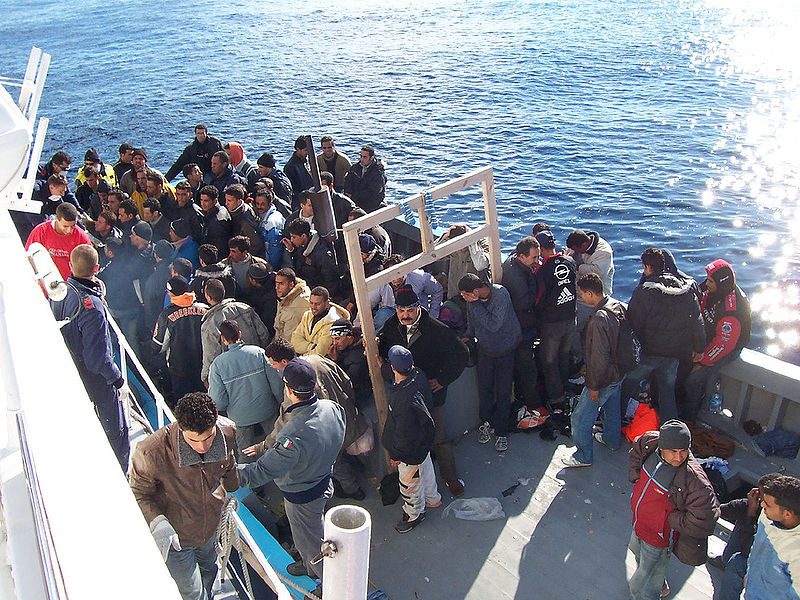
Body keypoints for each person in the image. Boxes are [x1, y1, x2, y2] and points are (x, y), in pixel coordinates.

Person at [238, 358, 345, 590]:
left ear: (288, 389)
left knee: (312, 542)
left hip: (303, 497)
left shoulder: (293, 435)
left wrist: (226, 473)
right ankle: (308, 565)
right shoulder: (332, 409)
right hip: (323, 482)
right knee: (310, 534)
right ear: (314, 386)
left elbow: (260, 471)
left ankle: (327, 583)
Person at [129, 392, 238, 600]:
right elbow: (138, 492)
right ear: (179, 427)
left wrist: (232, 484)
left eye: (209, 437)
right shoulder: (151, 452)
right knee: (192, 592)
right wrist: (158, 521)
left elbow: (229, 463)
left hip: (210, 528)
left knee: (209, 572)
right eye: (193, 440)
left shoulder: (228, 432)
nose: (203, 447)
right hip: (176, 537)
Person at [378, 285, 469, 497]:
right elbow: (383, 352)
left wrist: (443, 379)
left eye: (409, 310)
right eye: (401, 310)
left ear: (418, 308)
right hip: (403, 394)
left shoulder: (437, 329)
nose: (405, 315)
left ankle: (450, 478)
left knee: (439, 436)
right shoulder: (391, 327)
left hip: (430, 395)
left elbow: (461, 353)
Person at [50, 244, 130, 470]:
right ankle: (119, 474)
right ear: (97, 267)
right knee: (116, 431)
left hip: (72, 368)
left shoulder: (60, 292)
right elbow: (98, 358)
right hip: (95, 380)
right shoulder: (92, 306)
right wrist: (117, 380)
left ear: (70, 265)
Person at [628, 420, 720, 600]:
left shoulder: (694, 480)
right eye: (673, 452)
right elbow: (636, 452)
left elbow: (706, 518)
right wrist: (635, 476)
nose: (678, 457)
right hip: (639, 523)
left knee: (646, 580)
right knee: (637, 553)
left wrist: (671, 519)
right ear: (661, 447)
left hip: (658, 537)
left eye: (683, 451)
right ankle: (660, 584)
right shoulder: (650, 442)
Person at [627, 248, 705, 424]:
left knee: (627, 384)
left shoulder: (644, 292)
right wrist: (699, 348)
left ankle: (615, 423)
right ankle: (671, 432)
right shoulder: (686, 290)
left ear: (647, 267)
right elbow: (697, 321)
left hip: (649, 352)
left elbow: (633, 323)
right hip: (675, 354)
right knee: (667, 393)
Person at [562, 273, 626, 468]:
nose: (582, 297)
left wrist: (593, 386)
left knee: (581, 417)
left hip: (604, 377)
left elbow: (599, 358)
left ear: (590, 293)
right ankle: (612, 440)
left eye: (582, 294)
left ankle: (583, 456)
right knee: (612, 408)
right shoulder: (618, 305)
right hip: (620, 372)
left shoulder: (598, 320)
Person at [683, 259, 751, 423]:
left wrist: (702, 361)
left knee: (693, 379)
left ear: (721, 283)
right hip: (707, 335)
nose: (706, 283)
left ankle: (689, 418)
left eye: (711, 281)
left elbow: (724, 343)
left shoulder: (732, 311)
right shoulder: (711, 289)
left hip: (727, 347)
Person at [459, 274, 521, 452]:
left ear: (476, 291)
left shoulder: (500, 294)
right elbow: (472, 322)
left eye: (465, 294)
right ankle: (486, 421)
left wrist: (475, 303)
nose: (464, 298)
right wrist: (468, 336)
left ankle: (501, 431)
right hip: (485, 349)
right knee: (484, 388)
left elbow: (494, 324)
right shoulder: (472, 302)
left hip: (505, 349)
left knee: (503, 390)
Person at [383, 345, 440, 533]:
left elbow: (404, 433)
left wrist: (396, 454)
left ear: (393, 367)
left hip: (408, 451)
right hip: (423, 443)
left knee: (409, 485)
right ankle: (433, 499)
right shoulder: (418, 375)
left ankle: (413, 515)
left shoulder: (403, 401)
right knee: (427, 471)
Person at [208, 320, 281, 461]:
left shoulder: (217, 365)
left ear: (223, 339)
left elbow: (218, 400)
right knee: (276, 446)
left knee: (245, 453)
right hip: (267, 410)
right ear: (240, 334)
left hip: (240, 418)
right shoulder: (259, 353)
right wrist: (280, 403)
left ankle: (249, 480)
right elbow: (276, 384)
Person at [709, 473, 782, 600]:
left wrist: (750, 515)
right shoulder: (752, 505)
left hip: (767, 567)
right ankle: (725, 560)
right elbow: (721, 510)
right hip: (744, 556)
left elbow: (749, 548)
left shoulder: (783, 526)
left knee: (738, 562)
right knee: (735, 561)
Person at [533, 230, 577, 410]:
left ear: (540, 249)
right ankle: (565, 387)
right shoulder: (570, 262)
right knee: (564, 356)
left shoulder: (543, 272)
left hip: (552, 324)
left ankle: (556, 399)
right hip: (570, 318)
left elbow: (537, 299)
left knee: (549, 361)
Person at [201, 278, 271, 385]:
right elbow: (263, 334)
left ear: (208, 297)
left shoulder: (209, 324)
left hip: (232, 376)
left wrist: (206, 377)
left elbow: (210, 355)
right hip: (257, 365)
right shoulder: (244, 308)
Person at [501, 236, 543, 414]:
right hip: (521, 330)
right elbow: (525, 303)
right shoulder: (518, 277)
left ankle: (521, 397)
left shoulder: (512, 262)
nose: (537, 261)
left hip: (516, 327)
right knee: (527, 368)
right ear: (522, 256)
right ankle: (533, 404)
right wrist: (534, 279)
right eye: (534, 258)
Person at [744, 474, 800, 599]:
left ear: (787, 514)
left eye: (768, 504)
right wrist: (749, 575)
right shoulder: (766, 516)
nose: (762, 505)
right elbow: (757, 547)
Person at [152, 276, 208, 401]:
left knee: (184, 406)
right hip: (204, 367)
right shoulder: (205, 309)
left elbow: (158, 346)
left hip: (179, 370)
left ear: (171, 293)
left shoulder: (166, 315)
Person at [26, 202, 92, 279]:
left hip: (69, 283)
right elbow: (28, 256)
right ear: (57, 219)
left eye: (73, 226)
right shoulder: (41, 231)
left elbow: (88, 265)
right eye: (65, 226)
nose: (69, 230)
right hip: (44, 280)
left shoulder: (81, 237)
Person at [284, 218, 341, 296]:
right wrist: (293, 251)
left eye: (294, 237)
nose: (291, 240)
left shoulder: (321, 253)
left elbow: (330, 279)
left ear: (303, 236)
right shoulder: (301, 245)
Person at [291, 286, 350, 356]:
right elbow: (295, 340)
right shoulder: (307, 315)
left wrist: (302, 357)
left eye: (317, 304)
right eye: (311, 303)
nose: (313, 307)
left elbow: (320, 352)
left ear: (327, 303)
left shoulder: (333, 323)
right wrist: (311, 346)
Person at [438, 224, 491, 298]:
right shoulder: (450, 242)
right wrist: (444, 239)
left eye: (462, 245)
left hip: (474, 297)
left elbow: (481, 265)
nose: (460, 249)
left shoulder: (482, 242)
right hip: (454, 295)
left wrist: (472, 242)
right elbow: (433, 257)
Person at [327, 319, 371, 408]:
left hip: (360, 399)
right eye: (333, 339)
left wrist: (335, 361)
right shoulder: (340, 347)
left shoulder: (359, 355)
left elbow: (347, 380)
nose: (334, 343)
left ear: (349, 337)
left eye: (337, 339)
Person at [343, 144, 387, 213]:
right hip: (355, 201)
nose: (362, 159)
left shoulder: (378, 172)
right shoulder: (355, 168)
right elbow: (348, 181)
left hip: (371, 204)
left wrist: (355, 196)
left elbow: (374, 191)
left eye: (365, 157)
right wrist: (348, 193)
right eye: (361, 156)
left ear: (371, 158)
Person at [224, 183, 264, 257]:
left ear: (239, 202)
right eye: (226, 200)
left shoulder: (245, 222)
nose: (226, 203)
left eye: (229, 201)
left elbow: (256, 244)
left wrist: (242, 257)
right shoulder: (233, 210)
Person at [253, 186, 286, 269]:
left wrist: (271, 268)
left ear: (270, 203)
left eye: (263, 204)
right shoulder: (260, 215)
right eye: (257, 203)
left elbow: (275, 250)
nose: (259, 206)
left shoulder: (273, 221)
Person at [274, 268, 311, 342]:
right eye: (276, 283)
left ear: (291, 285)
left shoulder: (295, 310)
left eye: (281, 284)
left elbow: (289, 341)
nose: (277, 287)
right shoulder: (285, 296)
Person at [197, 185, 232, 260]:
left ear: (215, 201)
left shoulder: (217, 222)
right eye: (201, 200)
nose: (202, 204)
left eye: (206, 201)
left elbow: (219, 247)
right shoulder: (220, 209)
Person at [284, 136, 314, 209]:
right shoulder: (290, 166)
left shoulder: (308, 161)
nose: (308, 153)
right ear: (298, 149)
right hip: (301, 202)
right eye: (306, 150)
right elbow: (291, 190)